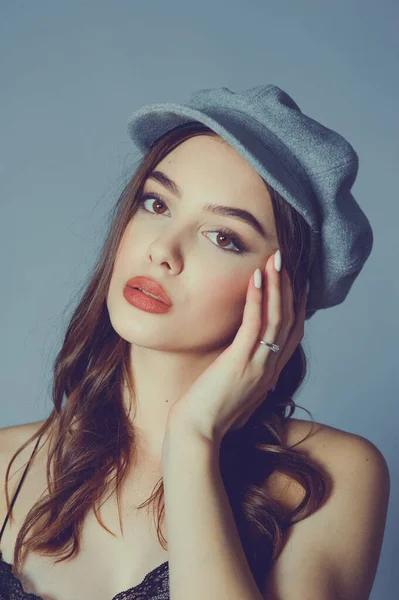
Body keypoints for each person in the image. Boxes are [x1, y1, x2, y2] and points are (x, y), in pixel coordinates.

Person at [0, 84, 390, 600]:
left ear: (284, 295)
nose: (163, 249)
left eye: (224, 236)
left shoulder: (331, 477)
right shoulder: (7, 457)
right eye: (156, 203)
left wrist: (192, 438)